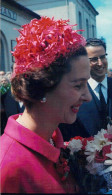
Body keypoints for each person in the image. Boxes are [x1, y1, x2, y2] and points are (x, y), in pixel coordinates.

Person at [0, 16, 91, 193]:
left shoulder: (55, 139)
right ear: (42, 87)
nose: (88, 97)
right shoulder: (7, 166)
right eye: (78, 85)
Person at [59, 38, 112, 140]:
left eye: (103, 57)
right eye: (93, 59)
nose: (100, 63)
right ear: (83, 61)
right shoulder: (73, 92)